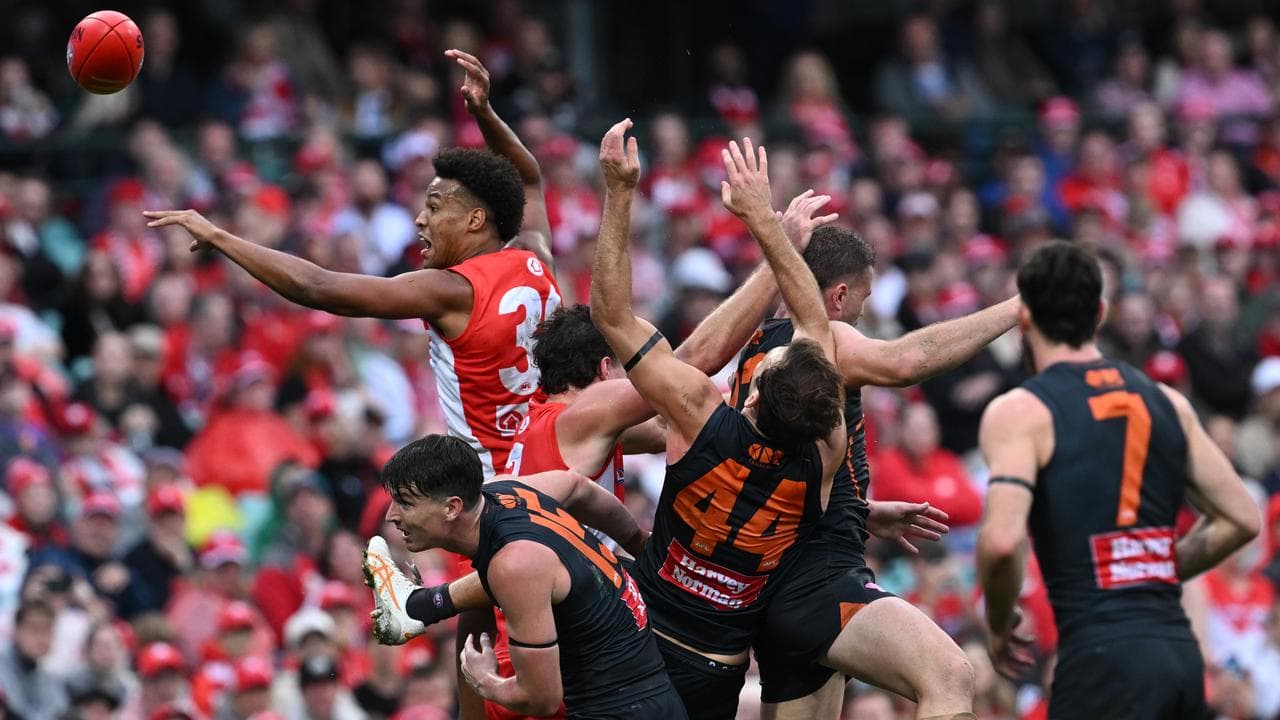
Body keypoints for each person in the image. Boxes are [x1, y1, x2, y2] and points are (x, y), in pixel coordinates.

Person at [145, 49, 555, 479]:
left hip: (499, 484)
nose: (420, 219)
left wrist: (221, 238)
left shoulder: (452, 289)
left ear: (474, 220)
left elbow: (316, 287)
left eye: (434, 208)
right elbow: (528, 176)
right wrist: (486, 114)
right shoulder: (535, 253)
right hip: (550, 468)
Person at [591, 122, 846, 719]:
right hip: (719, 667)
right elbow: (814, 323)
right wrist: (772, 230)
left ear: (751, 397)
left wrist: (620, 190)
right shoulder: (825, 451)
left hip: (640, 639)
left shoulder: (700, 415)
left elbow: (611, 313)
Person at [731, 223, 1018, 720]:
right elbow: (905, 361)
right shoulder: (822, 340)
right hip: (818, 576)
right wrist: (1017, 308)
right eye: (863, 298)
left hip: (779, 581)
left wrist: (860, 511)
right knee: (950, 675)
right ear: (839, 296)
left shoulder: (753, 350)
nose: (864, 312)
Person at [977, 241, 1261, 719]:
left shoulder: (1021, 411)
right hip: (1178, 655)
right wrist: (1154, 572)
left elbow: (1002, 543)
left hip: (1100, 661)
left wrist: (999, 625)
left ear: (1023, 319)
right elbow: (1242, 519)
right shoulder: (1168, 401)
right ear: (1102, 313)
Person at [367, 435, 685, 719]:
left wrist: (485, 681)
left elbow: (542, 700)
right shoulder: (507, 491)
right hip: (655, 694)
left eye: (405, 503)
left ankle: (415, 608)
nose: (390, 515)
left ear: (452, 508)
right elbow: (577, 486)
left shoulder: (514, 567)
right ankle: (417, 607)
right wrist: (636, 541)